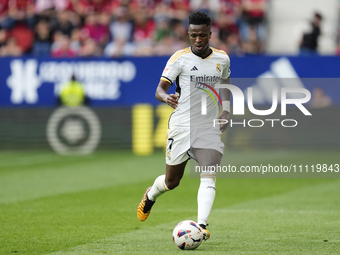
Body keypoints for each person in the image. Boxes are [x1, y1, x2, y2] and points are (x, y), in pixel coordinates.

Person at [137, 11, 231, 242]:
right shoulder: (179, 58)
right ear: (188, 34)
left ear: (210, 33)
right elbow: (159, 89)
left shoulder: (222, 59)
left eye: (202, 35)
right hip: (181, 125)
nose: (197, 40)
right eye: (193, 36)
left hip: (208, 127)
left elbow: (227, 84)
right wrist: (165, 97)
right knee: (172, 182)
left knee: (209, 173)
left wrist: (226, 110)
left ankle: (201, 226)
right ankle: (150, 194)